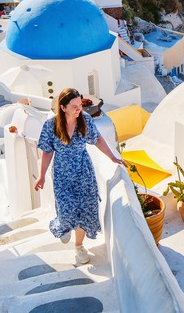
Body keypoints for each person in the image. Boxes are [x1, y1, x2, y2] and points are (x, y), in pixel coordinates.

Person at [34, 88, 123, 264]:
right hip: (62, 173)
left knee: (84, 210)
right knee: (67, 210)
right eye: (74, 106)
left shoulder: (86, 120)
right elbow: (47, 152)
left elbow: (97, 139)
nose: (78, 109)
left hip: (84, 171)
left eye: (80, 105)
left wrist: (113, 157)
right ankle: (64, 225)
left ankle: (79, 246)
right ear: (63, 107)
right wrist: (41, 176)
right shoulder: (51, 126)